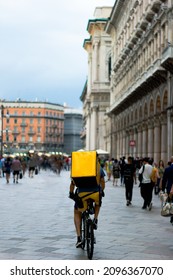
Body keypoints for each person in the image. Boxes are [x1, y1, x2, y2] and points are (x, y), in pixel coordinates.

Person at [69, 165, 105, 248]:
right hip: (95, 193)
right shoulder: (97, 166)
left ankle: (79, 238)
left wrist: (71, 193)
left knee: (77, 212)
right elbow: (102, 181)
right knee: (98, 202)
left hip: (82, 194)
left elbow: (72, 183)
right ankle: (95, 219)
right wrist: (101, 190)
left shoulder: (78, 167)